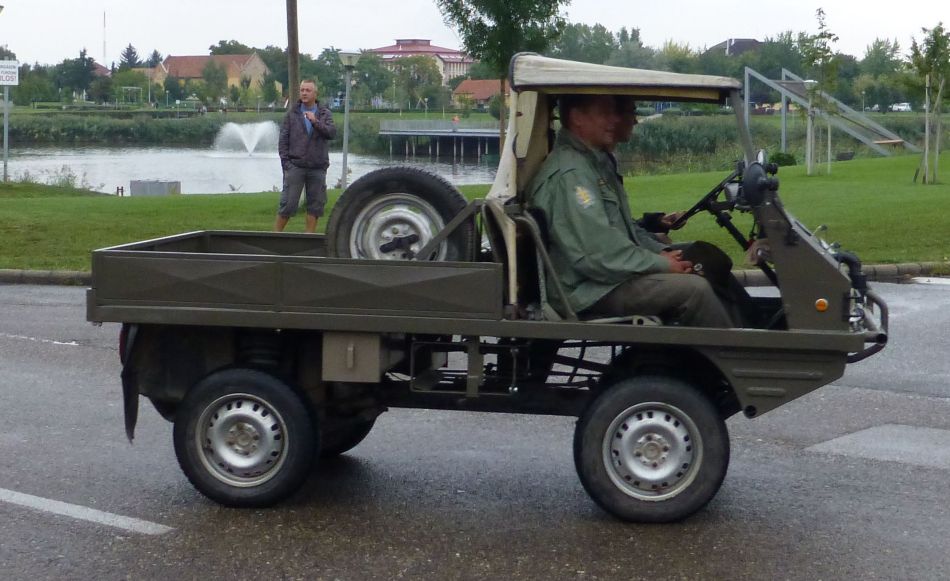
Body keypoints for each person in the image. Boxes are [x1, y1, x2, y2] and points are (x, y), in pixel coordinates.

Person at [527, 94, 735, 328]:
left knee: (706, 258)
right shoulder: (572, 174)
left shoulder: (592, 162)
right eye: (605, 112)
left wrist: (662, 253)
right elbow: (597, 253)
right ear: (577, 118)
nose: (615, 120)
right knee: (694, 290)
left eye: (616, 112)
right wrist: (661, 263)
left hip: (601, 278)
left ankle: (744, 334)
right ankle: (738, 358)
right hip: (586, 289)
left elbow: (621, 234)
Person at [275, 79, 337, 233]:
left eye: (308, 90)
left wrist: (315, 122)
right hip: (295, 166)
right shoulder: (292, 114)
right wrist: (286, 164)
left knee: (315, 206)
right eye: (302, 90)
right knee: (288, 204)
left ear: (315, 94)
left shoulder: (324, 113)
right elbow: (283, 140)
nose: (304, 93)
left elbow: (331, 133)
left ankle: (309, 237)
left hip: (317, 167)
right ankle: (275, 236)